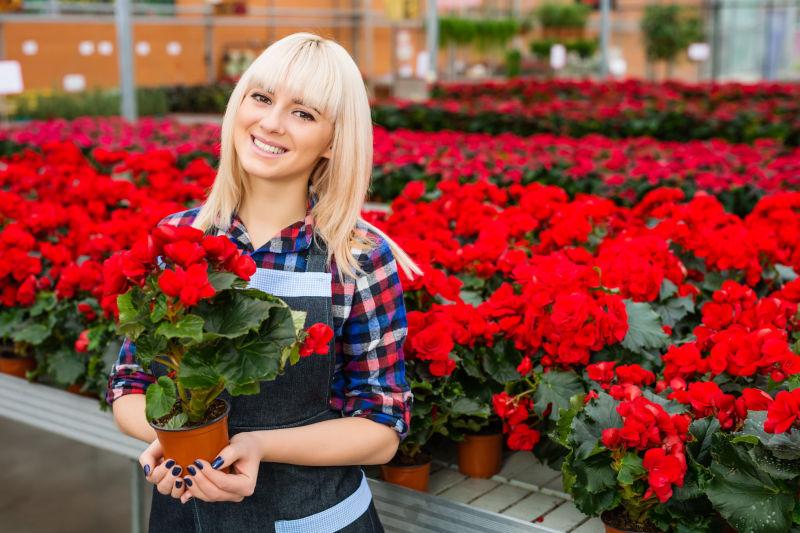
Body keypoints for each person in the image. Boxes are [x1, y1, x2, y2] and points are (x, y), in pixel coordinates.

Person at [106, 32, 421, 533]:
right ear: (238, 104)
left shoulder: (357, 258)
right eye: (262, 98)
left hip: (316, 519)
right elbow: (130, 384)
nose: (271, 123)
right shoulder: (181, 239)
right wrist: (176, 443)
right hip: (184, 514)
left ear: (334, 140)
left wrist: (255, 445)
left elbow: (381, 426)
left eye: (304, 113)